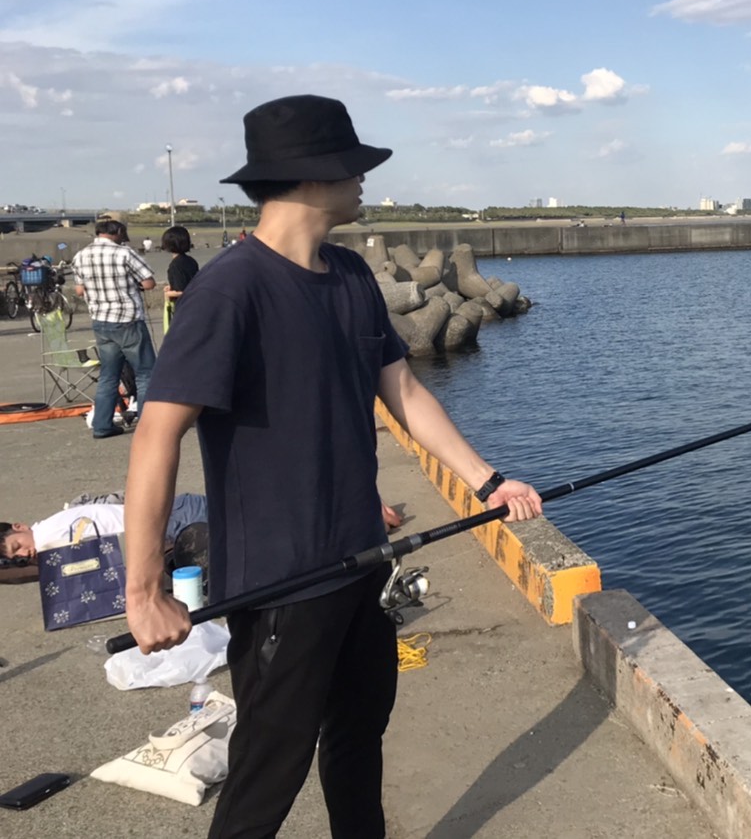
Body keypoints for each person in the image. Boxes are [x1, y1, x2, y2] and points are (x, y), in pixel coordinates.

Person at [122, 94, 544, 839]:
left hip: (361, 564)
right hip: (283, 580)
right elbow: (156, 435)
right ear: (315, 176)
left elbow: (404, 390)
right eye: (354, 167)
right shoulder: (230, 290)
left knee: (359, 742)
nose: (364, 182)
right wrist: (145, 588)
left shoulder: (349, 276)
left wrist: (488, 479)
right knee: (267, 770)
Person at [71, 217, 156, 439]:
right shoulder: (124, 253)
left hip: (101, 321)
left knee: (109, 375)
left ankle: (102, 425)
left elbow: (79, 291)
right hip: (127, 320)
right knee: (146, 373)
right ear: (118, 231)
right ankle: (149, 426)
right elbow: (148, 282)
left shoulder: (81, 255)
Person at [1, 493, 209, 567]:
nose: (24, 554)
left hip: (175, 522)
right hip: (174, 515)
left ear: (19, 526)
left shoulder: (47, 538)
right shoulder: (52, 523)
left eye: (17, 545)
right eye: (17, 557)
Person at [160, 225, 199, 334]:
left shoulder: (175, 265)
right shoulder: (191, 260)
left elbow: (182, 291)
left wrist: (169, 293)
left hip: (183, 309)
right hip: (195, 306)